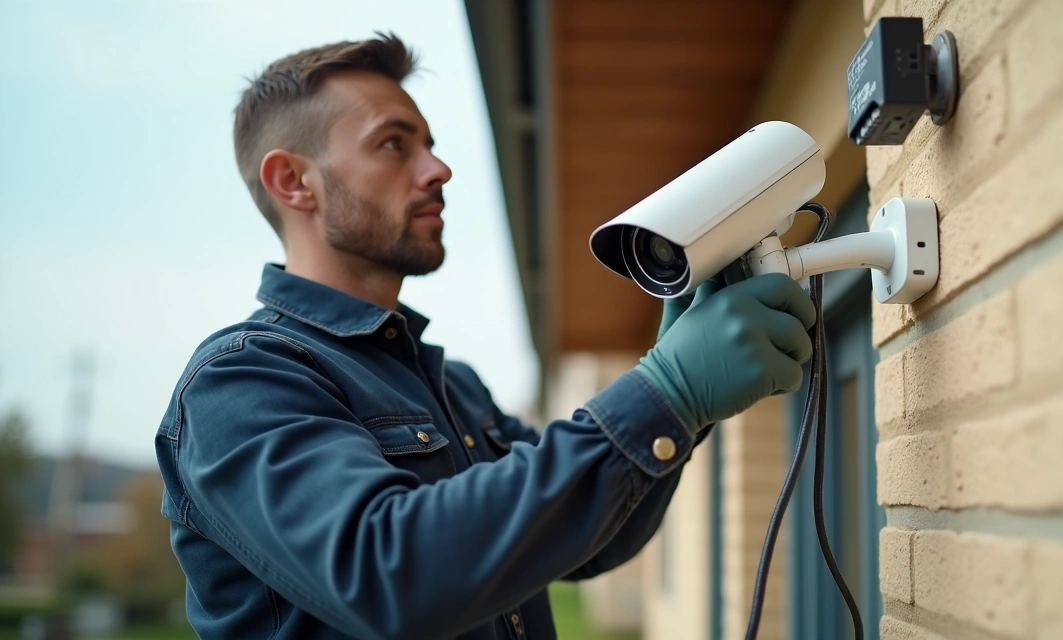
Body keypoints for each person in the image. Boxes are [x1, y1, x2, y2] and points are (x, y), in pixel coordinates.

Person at [153, 32, 816, 640]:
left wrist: (684, 408)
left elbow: (591, 544)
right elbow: (391, 574)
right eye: (395, 143)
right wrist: (668, 391)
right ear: (293, 181)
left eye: (431, 144)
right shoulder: (239, 384)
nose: (437, 169)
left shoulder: (453, 385)